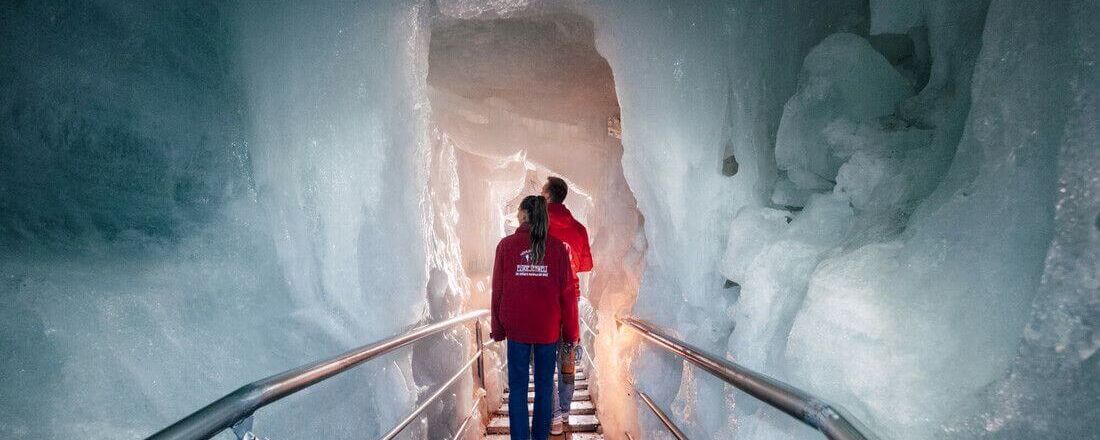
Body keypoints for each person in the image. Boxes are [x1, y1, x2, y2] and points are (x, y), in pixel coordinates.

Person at [490, 195, 580, 440]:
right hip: (547, 330)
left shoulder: (506, 247)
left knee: (518, 389)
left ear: (523, 214)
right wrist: (571, 333)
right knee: (543, 387)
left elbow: (497, 290)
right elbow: (568, 294)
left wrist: (498, 328)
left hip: (517, 329)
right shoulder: (559, 249)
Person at [541, 177, 593, 435]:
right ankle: (566, 410)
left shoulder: (539, 228)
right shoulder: (579, 229)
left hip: (544, 302)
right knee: (567, 359)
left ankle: (553, 417)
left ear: (548, 196)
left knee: (544, 362)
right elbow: (584, 265)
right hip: (570, 301)